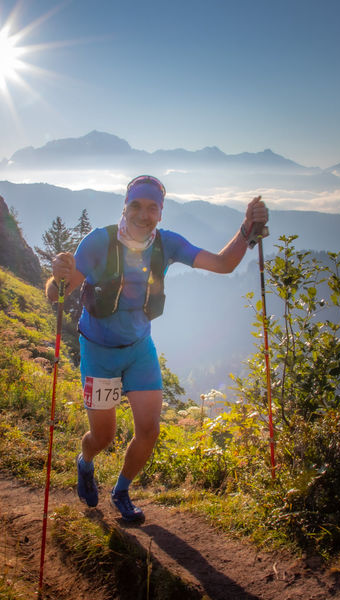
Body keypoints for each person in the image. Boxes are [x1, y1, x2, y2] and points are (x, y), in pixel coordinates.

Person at [46, 174, 268, 523]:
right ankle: (85, 462)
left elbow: (223, 265)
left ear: (161, 213)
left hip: (139, 349)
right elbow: (56, 295)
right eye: (136, 205)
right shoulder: (98, 244)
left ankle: (121, 491)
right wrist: (58, 275)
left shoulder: (167, 244)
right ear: (125, 206)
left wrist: (246, 231)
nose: (143, 214)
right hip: (99, 352)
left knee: (149, 431)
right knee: (102, 437)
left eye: (152, 207)